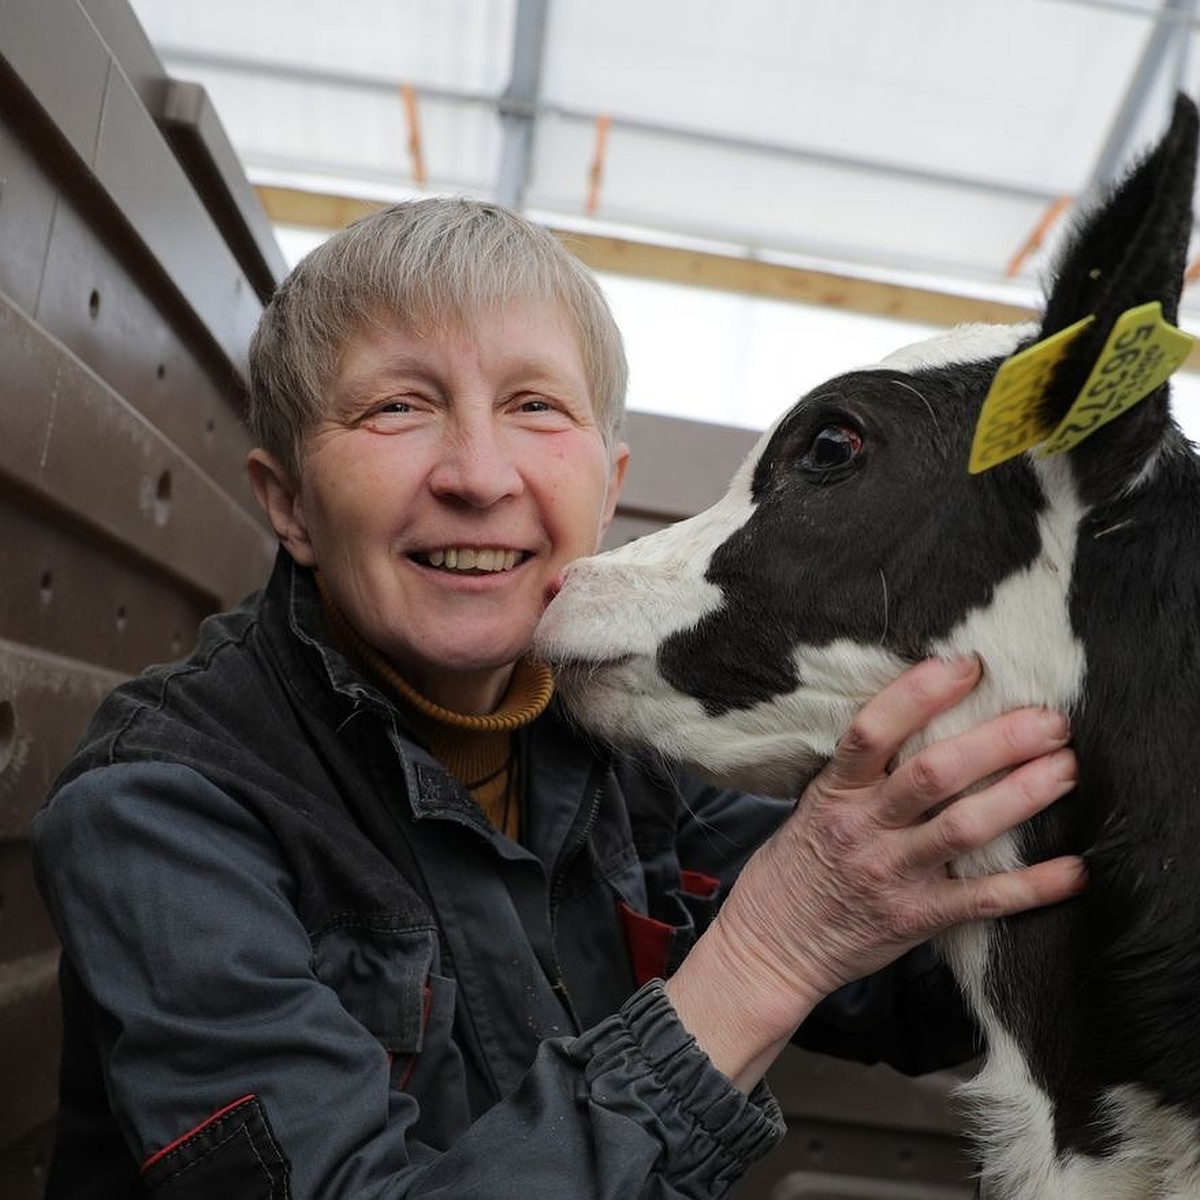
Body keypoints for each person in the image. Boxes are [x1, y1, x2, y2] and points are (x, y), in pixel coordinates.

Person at [30, 198, 1084, 1199]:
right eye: (399, 406)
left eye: (535, 405)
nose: (479, 475)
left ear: (609, 484)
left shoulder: (617, 743)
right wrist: (774, 945)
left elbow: (903, 976)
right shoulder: (162, 807)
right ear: (290, 505)